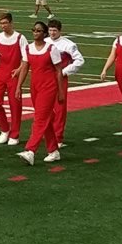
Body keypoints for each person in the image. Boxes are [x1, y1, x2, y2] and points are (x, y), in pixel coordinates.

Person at [17, 18, 62, 164]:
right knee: (45, 118)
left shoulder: (51, 49)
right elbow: (24, 68)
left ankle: (30, 150)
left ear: (44, 34)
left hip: (48, 87)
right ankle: (53, 150)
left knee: (40, 118)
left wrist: (60, 92)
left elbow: (59, 71)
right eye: (34, 30)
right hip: (35, 86)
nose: (35, 33)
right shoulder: (28, 48)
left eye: (39, 31)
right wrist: (19, 86)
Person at [0, 12, 27, 145]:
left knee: (15, 105)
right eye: (1, 23)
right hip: (0, 73)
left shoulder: (20, 38)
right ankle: (4, 129)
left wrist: (19, 70)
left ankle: (15, 134)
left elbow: (26, 59)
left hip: (13, 74)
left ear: (11, 23)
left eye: (5, 23)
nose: (3, 26)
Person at [46, 18, 86, 148]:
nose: (52, 33)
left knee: (59, 108)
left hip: (60, 79)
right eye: (50, 30)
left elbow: (79, 60)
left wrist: (64, 72)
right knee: (45, 107)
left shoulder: (68, 44)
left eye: (54, 30)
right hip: (45, 79)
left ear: (60, 31)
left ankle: (58, 137)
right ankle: (47, 133)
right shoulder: (44, 42)